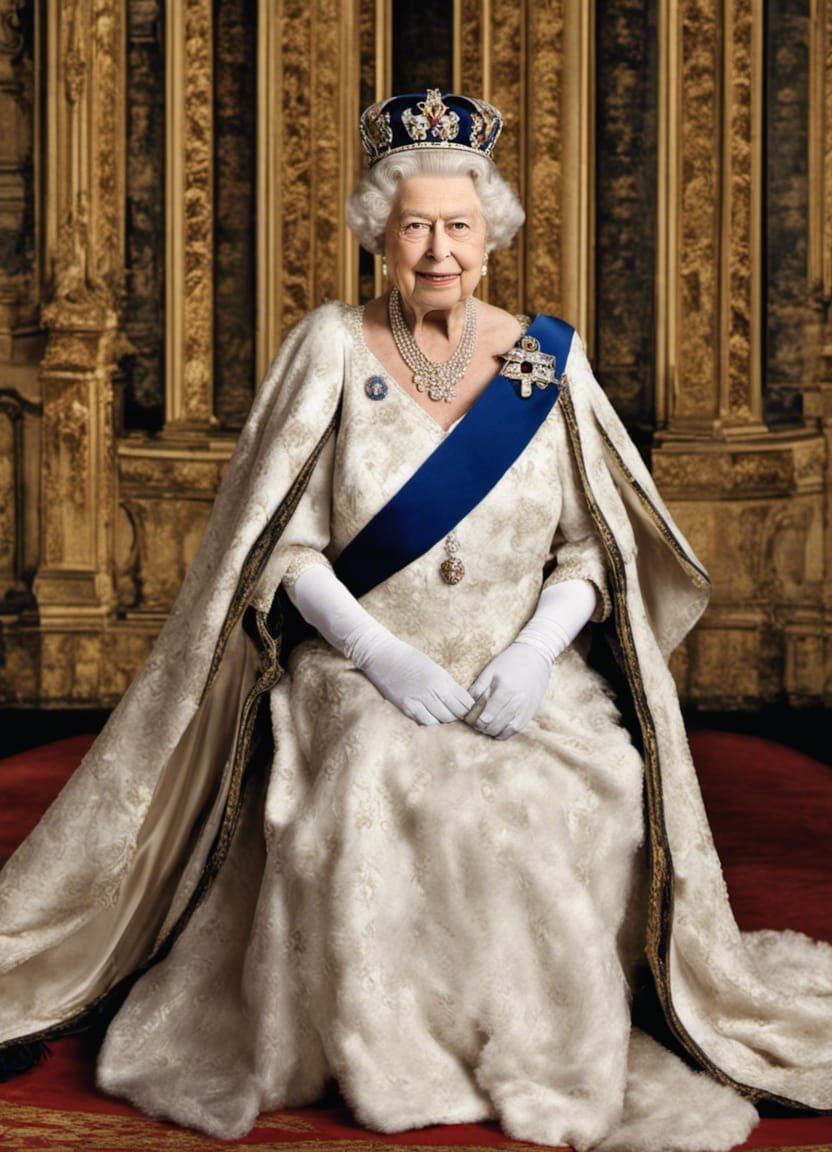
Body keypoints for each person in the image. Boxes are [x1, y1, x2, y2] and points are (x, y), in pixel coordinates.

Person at [0, 90, 830, 1151]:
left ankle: (538, 1043)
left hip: (516, 666)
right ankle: (397, 1054)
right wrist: (377, 652)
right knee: (380, 781)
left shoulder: (543, 361)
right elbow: (278, 546)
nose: (439, 250)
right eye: (415, 227)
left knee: (584, 783)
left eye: (459, 227)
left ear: (492, 235)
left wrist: (536, 653)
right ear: (379, 235)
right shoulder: (330, 349)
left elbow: (595, 549)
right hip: (358, 667)